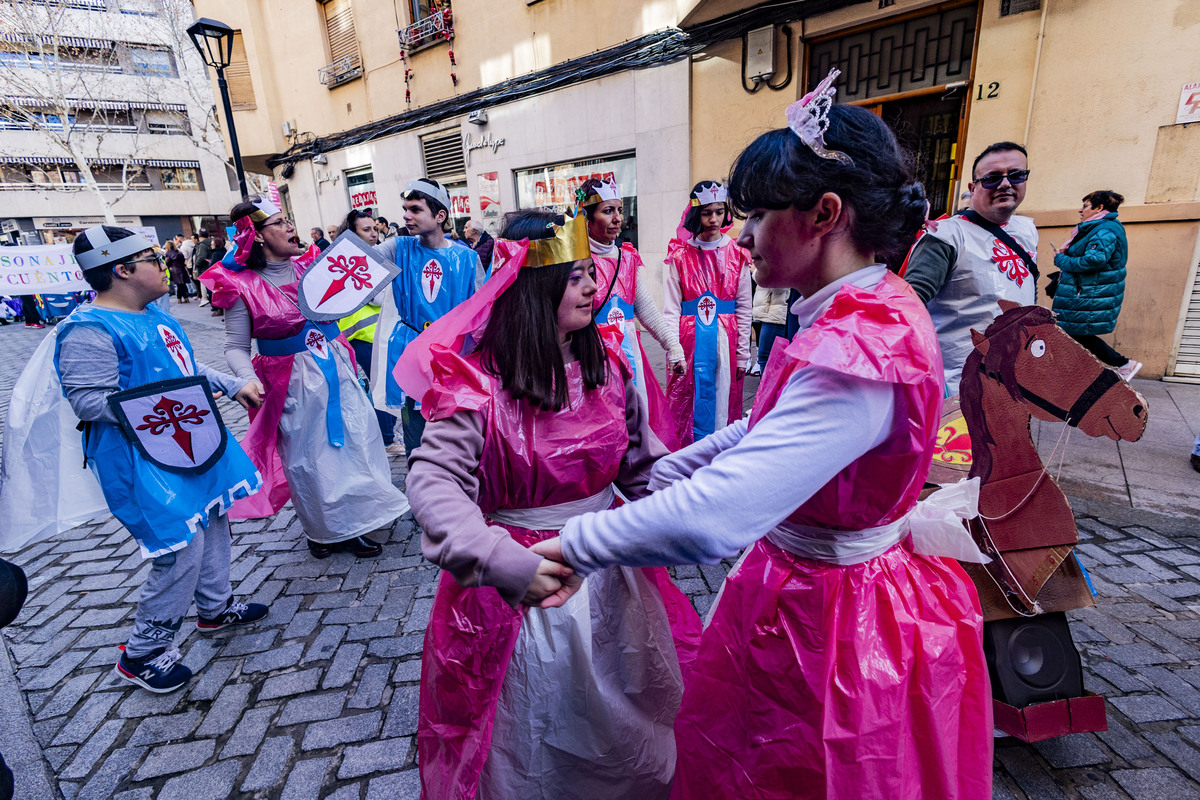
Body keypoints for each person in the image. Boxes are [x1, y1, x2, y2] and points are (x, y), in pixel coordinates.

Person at [533, 78, 992, 799]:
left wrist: (571, 545)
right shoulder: (858, 307)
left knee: (811, 768)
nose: (741, 235)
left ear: (824, 215)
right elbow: (767, 425)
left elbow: (722, 513)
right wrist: (667, 469)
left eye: (754, 215)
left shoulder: (865, 344)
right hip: (809, 586)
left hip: (838, 618)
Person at [398, 208, 700, 799]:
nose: (593, 287)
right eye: (573, 276)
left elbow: (643, 470)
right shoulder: (473, 383)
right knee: (536, 732)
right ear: (530, 288)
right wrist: (499, 559)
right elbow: (433, 481)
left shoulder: (607, 369)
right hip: (523, 595)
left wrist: (705, 503)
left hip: (613, 582)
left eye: (592, 272)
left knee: (622, 727)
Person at [57, 225, 269, 692]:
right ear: (123, 269)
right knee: (179, 549)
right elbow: (88, 401)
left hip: (191, 444)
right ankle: (143, 653)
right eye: (152, 259)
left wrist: (231, 385)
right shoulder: (88, 329)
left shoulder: (157, 316)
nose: (163, 266)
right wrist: (168, 404)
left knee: (214, 520)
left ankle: (213, 609)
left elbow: (186, 368)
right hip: (140, 459)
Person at [201, 196, 409, 560]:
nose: (290, 227)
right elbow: (235, 346)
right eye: (279, 223)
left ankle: (356, 521)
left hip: (336, 367)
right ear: (258, 236)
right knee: (309, 457)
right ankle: (323, 529)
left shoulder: (314, 266)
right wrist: (246, 379)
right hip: (291, 380)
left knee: (355, 444)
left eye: (288, 220)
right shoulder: (239, 283)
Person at [904, 141, 1037, 394]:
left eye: (1016, 175)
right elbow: (909, 305)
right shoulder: (946, 237)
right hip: (958, 387)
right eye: (992, 178)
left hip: (1015, 381)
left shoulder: (1026, 231)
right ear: (973, 187)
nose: (1005, 184)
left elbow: (1025, 289)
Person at [372, 178, 483, 456]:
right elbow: (364, 260)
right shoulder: (399, 248)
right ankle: (419, 482)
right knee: (416, 431)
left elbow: (482, 313)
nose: (407, 215)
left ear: (440, 215)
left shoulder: (468, 258)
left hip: (451, 355)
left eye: (416, 209)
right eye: (405, 209)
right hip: (411, 352)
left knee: (454, 427)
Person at [579, 176, 684, 448]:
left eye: (619, 210)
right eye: (607, 211)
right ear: (587, 217)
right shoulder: (575, 260)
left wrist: (673, 347)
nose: (617, 218)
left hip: (630, 354)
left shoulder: (627, 257)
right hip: (591, 353)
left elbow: (645, 308)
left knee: (635, 422)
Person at [662, 181, 752, 446]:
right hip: (689, 342)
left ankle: (719, 453)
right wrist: (673, 350)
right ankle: (687, 455)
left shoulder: (737, 254)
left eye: (719, 211)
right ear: (695, 213)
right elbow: (671, 309)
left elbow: (744, 306)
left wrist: (743, 355)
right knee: (687, 399)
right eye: (706, 212)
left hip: (726, 340)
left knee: (724, 396)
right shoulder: (679, 255)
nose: (714, 219)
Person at [1052, 190, 1140, 380]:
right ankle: (1084, 372)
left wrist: (1061, 260)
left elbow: (1094, 260)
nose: (1080, 210)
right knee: (1073, 332)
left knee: (1076, 333)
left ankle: (1124, 363)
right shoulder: (1098, 228)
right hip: (1087, 291)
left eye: (1085, 206)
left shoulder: (1104, 230)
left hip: (1091, 293)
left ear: (1099, 207)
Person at [334, 209, 400, 453]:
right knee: (382, 385)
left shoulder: (363, 256)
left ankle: (387, 435)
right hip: (366, 334)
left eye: (374, 228)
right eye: (366, 230)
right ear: (352, 234)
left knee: (382, 384)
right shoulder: (358, 260)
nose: (374, 234)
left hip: (371, 334)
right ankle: (387, 439)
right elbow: (379, 298)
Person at [751, 267, 788, 375]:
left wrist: (756, 272)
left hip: (774, 314)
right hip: (767, 313)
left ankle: (767, 389)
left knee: (767, 357)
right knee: (765, 357)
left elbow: (779, 285)